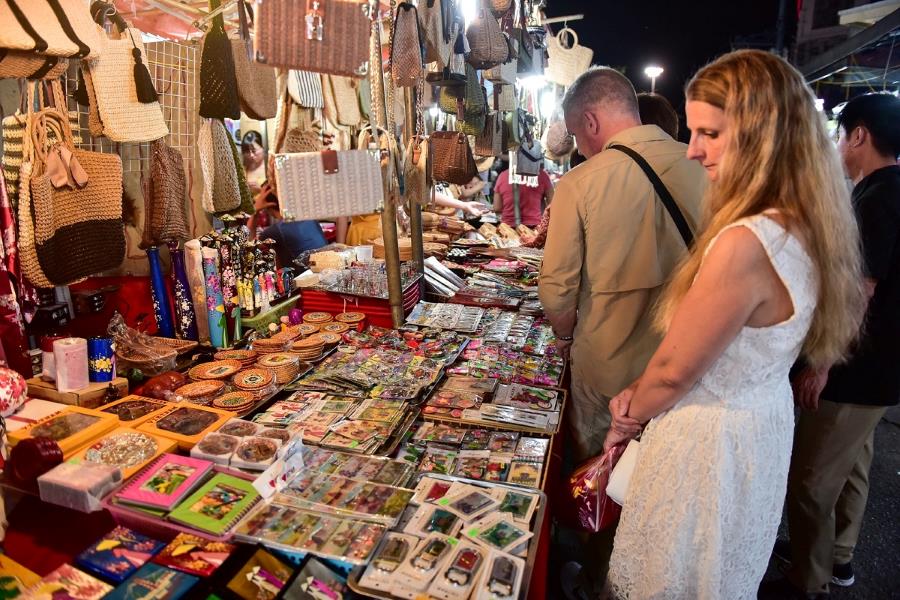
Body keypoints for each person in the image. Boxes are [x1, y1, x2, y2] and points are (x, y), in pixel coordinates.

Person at [603, 49, 866, 600]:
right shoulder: (806, 224)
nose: (694, 150)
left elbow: (675, 370)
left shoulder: (747, 241)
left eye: (711, 133)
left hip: (711, 442)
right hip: (758, 427)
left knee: (675, 578)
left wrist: (627, 415)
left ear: (763, 134)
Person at [539, 67, 705, 465]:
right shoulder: (707, 171)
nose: (579, 148)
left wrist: (564, 338)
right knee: (663, 474)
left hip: (606, 371)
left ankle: (595, 532)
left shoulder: (579, 184)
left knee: (597, 473)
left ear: (591, 121)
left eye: (578, 135)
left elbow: (557, 289)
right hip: (687, 366)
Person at [774, 93, 900, 598]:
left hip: (855, 369)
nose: (836, 145)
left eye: (840, 134)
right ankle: (839, 556)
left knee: (810, 482)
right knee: (851, 468)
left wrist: (822, 364)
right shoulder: (885, 190)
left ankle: (809, 579)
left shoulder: (877, 198)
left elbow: (859, 292)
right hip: (878, 370)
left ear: (860, 136)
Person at [493, 163, 553, 227]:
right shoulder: (542, 175)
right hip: (534, 227)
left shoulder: (503, 175)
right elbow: (553, 204)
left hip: (507, 228)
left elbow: (497, 208)